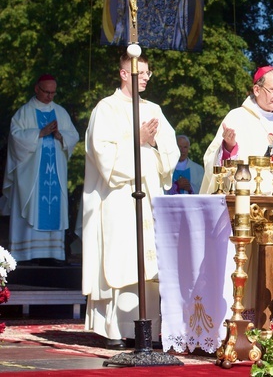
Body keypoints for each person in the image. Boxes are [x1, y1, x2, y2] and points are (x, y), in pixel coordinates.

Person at [82, 53, 179, 349]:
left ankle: (146, 329)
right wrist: (136, 140)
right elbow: (103, 157)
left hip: (149, 197)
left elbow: (171, 154)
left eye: (149, 72)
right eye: (141, 72)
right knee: (122, 259)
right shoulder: (106, 109)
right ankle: (114, 329)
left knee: (149, 265)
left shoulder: (154, 109)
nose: (147, 77)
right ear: (124, 74)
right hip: (118, 199)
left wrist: (151, 142)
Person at [3, 75, 79, 264]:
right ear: (37, 89)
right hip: (32, 177)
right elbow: (15, 137)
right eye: (46, 92)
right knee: (31, 206)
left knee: (53, 207)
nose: (50, 96)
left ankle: (52, 254)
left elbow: (73, 136)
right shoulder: (24, 112)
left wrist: (60, 136)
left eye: (53, 92)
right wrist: (39, 133)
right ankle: (26, 254)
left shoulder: (60, 112)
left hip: (55, 173)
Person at [199, 66, 273, 192]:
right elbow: (210, 161)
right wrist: (229, 147)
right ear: (257, 90)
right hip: (246, 197)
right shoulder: (237, 117)